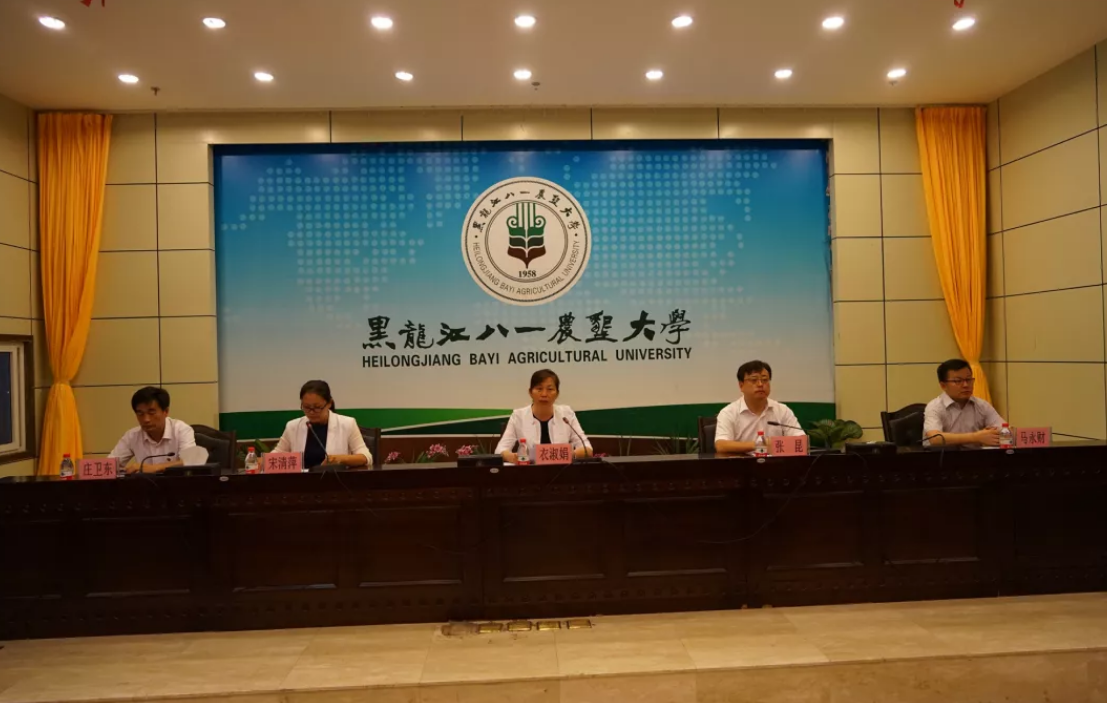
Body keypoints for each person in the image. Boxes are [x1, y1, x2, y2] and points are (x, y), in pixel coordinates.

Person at [495, 369, 593, 462]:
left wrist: (569, 454)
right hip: (529, 471)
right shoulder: (518, 416)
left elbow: (587, 449)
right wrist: (512, 457)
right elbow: (500, 450)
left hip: (562, 471)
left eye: (550, 389)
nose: (544, 394)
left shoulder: (566, 414)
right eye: (539, 389)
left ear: (557, 393)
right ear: (530, 392)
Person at [714, 360, 806, 455]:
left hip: (776, 462)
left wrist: (775, 445)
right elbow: (721, 445)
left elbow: (801, 441)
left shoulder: (782, 410)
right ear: (741, 386)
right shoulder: (728, 413)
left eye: (765, 380)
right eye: (754, 380)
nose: (760, 384)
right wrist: (759, 445)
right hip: (742, 463)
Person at [274, 380, 372, 468]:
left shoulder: (347, 424)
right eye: (306, 407)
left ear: (329, 403)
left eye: (317, 407)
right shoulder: (293, 426)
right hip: (300, 481)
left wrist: (340, 459)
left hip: (334, 480)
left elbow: (366, 457)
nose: (311, 412)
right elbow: (275, 456)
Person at [108, 386, 196, 473]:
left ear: (165, 411)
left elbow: (191, 461)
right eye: (140, 413)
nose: (146, 419)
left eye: (151, 412)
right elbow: (109, 465)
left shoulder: (181, 430)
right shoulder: (132, 436)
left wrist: (155, 468)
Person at [923, 359, 1006, 447]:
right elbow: (935, 438)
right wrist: (976, 437)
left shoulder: (982, 405)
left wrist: (996, 434)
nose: (966, 385)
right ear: (943, 385)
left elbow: (1006, 430)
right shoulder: (934, 407)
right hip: (941, 455)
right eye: (958, 381)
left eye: (968, 379)